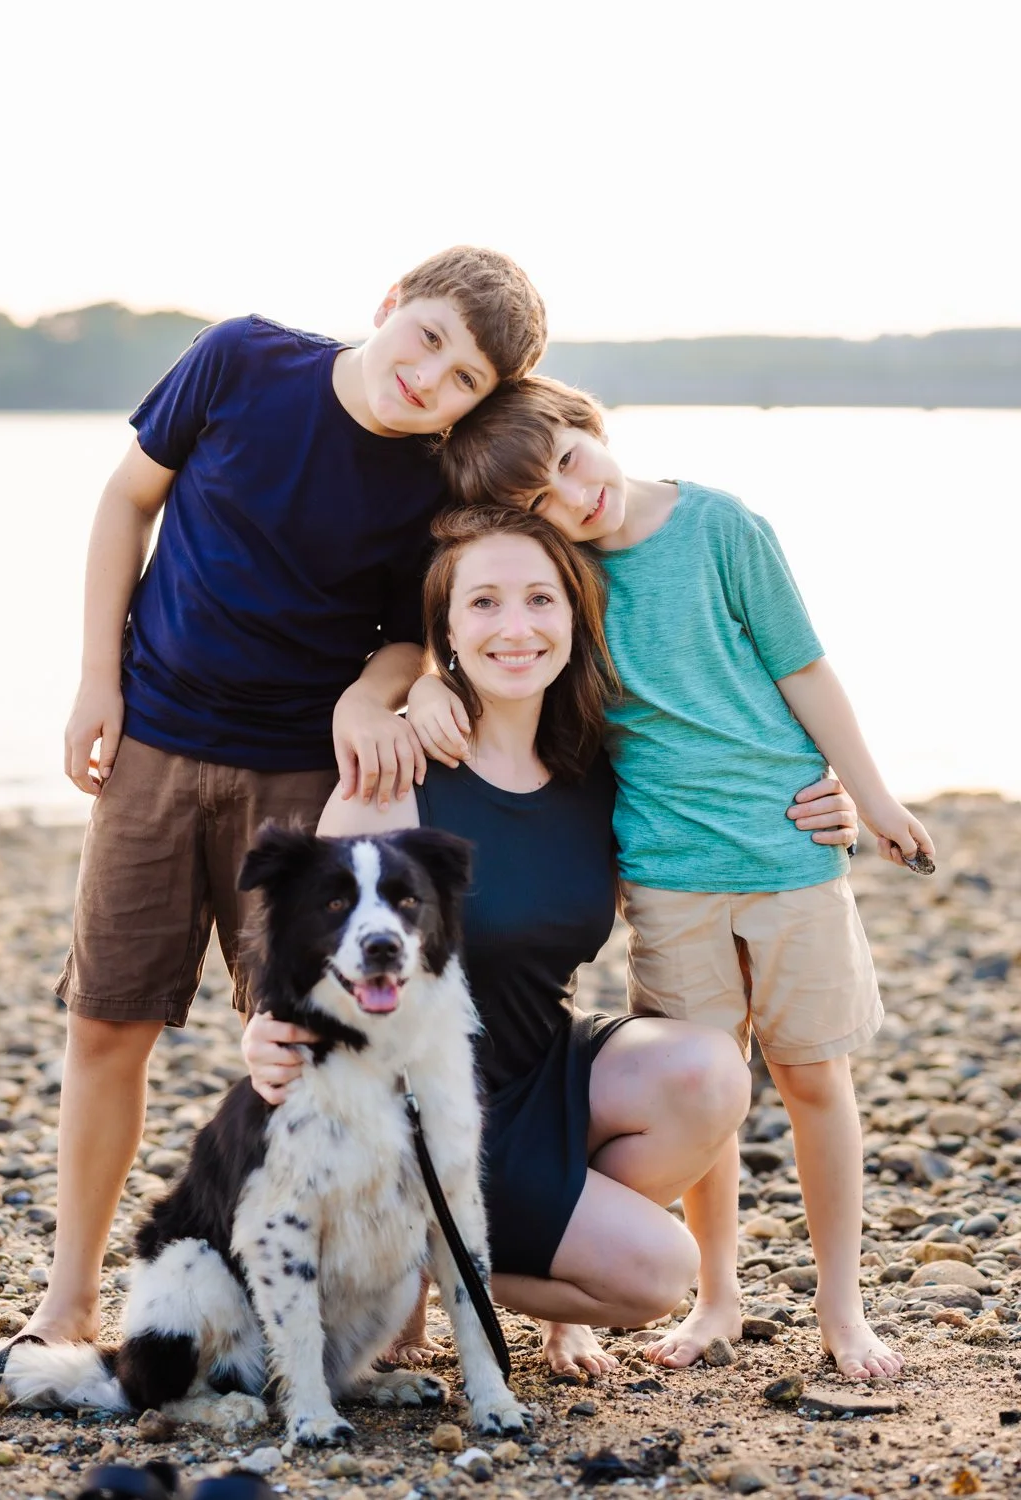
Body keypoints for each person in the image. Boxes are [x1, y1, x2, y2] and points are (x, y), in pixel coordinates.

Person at [22, 248, 548, 1348]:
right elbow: (128, 502)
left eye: (464, 383)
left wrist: (369, 697)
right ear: (393, 302)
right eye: (432, 342)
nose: (432, 381)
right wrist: (95, 678)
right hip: (156, 743)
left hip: (305, 780)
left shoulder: (432, 483)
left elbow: (412, 630)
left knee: (305, 1041)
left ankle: (341, 1311)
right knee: (109, 1022)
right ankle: (69, 1298)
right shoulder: (240, 359)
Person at [243, 506, 858, 1377]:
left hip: (544, 1071)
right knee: (659, 1274)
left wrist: (831, 804)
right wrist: (265, 1031)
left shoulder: (596, 765)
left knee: (710, 1068)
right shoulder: (399, 774)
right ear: (447, 631)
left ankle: (463, 1256)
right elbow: (308, 942)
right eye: (484, 604)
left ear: (575, 618)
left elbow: (727, 791)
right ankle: (424, 1242)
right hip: (421, 1115)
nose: (517, 627)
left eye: (540, 599)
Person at [414, 376, 936, 1381]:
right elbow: (486, 638)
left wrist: (869, 799)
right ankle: (718, 1298)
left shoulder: (723, 527)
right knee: (710, 1084)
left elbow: (802, 668)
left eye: (573, 463)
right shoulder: (566, 578)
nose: (575, 499)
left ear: (591, 426)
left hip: (787, 856)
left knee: (813, 1081)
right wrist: (424, 686)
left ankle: (844, 1306)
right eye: (542, 504)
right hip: (664, 870)